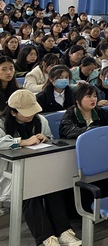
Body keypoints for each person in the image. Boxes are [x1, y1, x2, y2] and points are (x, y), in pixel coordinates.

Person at [0, 90, 82, 246]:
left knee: (53, 187)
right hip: (12, 173)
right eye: (26, 112)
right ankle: (46, 238)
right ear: (13, 112)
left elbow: (50, 139)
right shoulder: (2, 124)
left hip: (40, 169)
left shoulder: (40, 120)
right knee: (29, 192)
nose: (31, 115)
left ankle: (64, 231)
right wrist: (22, 142)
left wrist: (46, 138)